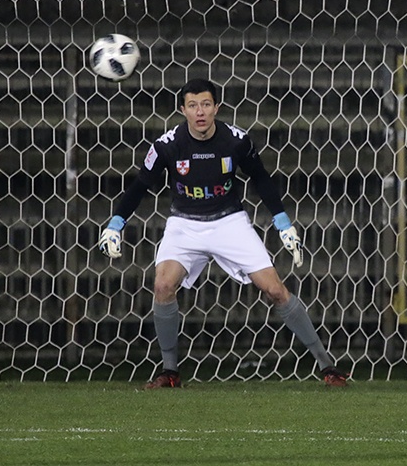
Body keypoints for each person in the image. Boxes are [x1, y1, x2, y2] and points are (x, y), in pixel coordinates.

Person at [98, 78, 348, 388]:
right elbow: (140, 185)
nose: (199, 112)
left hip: (230, 222)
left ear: (216, 107)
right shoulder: (167, 145)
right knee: (162, 286)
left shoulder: (236, 141)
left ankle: (328, 367)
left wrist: (283, 223)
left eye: (205, 104)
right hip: (184, 224)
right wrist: (116, 223)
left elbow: (261, 178)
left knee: (275, 290)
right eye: (192, 106)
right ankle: (170, 371)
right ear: (183, 110)